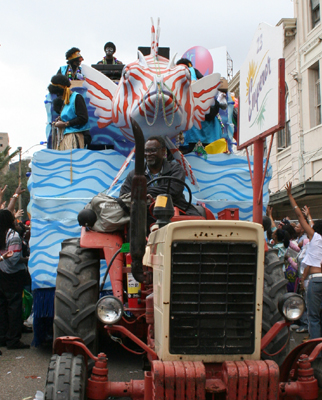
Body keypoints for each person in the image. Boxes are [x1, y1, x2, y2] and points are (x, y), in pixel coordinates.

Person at [120, 136, 201, 223]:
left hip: (175, 209)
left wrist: (142, 192)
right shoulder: (135, 174)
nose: (149, 154)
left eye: (153, 150)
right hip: (144, 213)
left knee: (197, 223)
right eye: (146, 151)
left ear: (163, 151)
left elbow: (173, 190)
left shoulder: (175, 169)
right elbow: (124, 195)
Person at [286, 182, 322, 340]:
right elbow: (308, 221)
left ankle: (316, 350)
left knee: (314, 318)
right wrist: (309, 215)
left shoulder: (315, 238)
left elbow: (299, 217)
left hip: (314, 281)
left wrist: (290, 196)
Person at [0, 209, 30, 349]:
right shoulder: (13, 236)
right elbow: (14, 260)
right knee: (14, 308)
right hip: (13, 276)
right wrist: (28, 260)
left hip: (2, 274)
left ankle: (3, 337)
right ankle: (13, 340)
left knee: (3, 307)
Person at [48, 74, 91, 150]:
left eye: (59, 93)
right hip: (64, 136)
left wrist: (65, 124)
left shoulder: (77, 97)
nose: (58, 95)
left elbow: (83, 118)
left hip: (74, 137)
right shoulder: (65, 101)